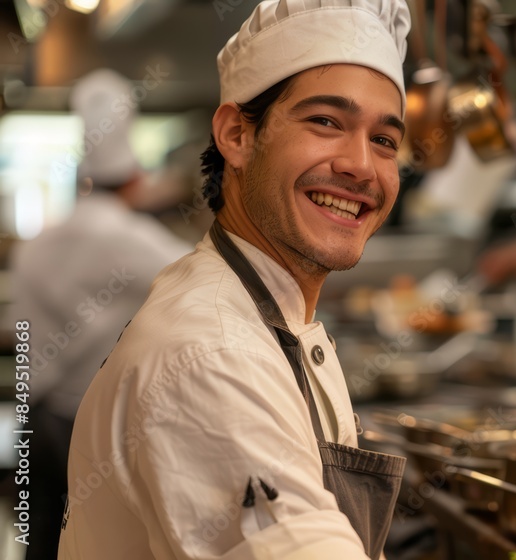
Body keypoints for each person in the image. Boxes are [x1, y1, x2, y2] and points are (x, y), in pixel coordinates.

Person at [58, 1, 411, 558]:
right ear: (236, 135)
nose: (361, 166)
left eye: (385, 140)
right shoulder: (213, 356)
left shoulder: (268, 312)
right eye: (325, 121)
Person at [8, 68, 192, 560]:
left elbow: (21, 335)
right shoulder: (134, 242)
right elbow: (206, 281)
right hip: (96, 428)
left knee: (37, 541)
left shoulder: (35, 246)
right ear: (134, 177)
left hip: (37, 418)